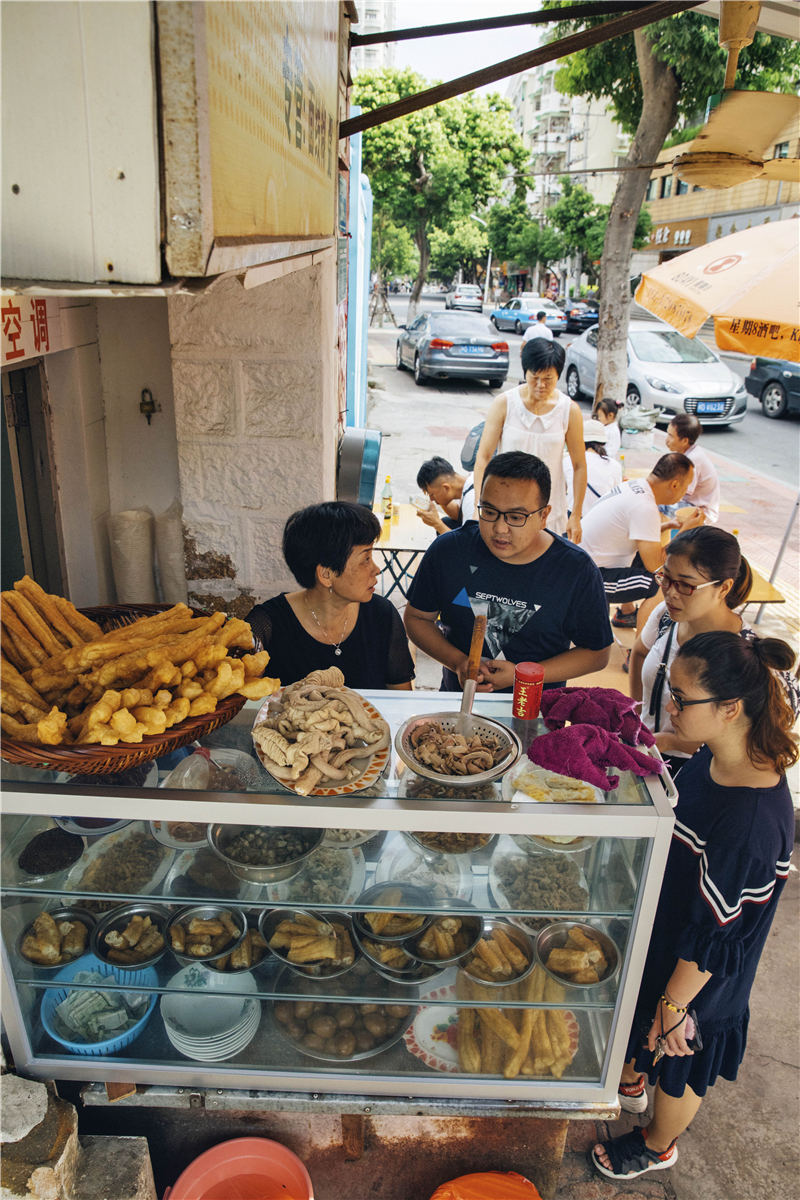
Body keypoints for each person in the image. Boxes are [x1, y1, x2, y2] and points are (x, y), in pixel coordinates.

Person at [592, 630, 797, 1182]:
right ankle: (632, 1081)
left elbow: (717, 938)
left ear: (730, 708)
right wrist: (647, 741)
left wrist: (677, 1005)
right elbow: (686, 750)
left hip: (702, 972)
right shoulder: (721, 751)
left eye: (681, 699)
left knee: (679, 1059)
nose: (671, 705)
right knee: (643, 1021)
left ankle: (659, 1143)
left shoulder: (750, 824)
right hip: (673, 931)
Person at [404, 450, 613, 692]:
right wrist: (459, 663)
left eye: (516, 517)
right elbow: (417, 618)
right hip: (456, 707)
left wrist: (522, 675)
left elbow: (598, 652)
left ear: (544, 516)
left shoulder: (575, 570)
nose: (500, 529)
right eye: (490, 512)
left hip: (535, 711)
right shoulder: (449, 550)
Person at [629, 527, 799, 775]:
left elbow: (747, 739)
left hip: (697, 771)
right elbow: (640, 652)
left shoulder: (744, 656)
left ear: (723, 588)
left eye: (686, 585)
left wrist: (669, 742)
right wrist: (634, 714)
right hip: (647, 750)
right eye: (665, 578)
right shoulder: (667, 616)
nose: (670, 593)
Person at [246, 501, 414, 690]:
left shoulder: (381, 615)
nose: (376, 569)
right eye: (365, 559)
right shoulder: (266, 625)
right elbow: (241, 701)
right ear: (326, 574)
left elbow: (401, 699)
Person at [472, 339, 587, 541]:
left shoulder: (569, 410)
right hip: (504, 508)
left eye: (548, 379)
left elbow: (579, 465)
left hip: (547, 510)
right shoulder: (505, 403)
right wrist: (479, 505)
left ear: (558, 376)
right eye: (535, 377)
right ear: (525, 372)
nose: (541, 385)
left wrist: (575, 514)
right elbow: (483, 457)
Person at [580, 453, 699, 632]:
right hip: (588, 576)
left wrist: (667, 526)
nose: (686, 493)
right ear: (674, 484)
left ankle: (627, 614)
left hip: (582, 559)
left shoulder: (633, 486)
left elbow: (633, 532)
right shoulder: (645, 507)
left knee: (652, 564)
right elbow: (656, 566)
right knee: (660, 584)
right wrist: (685, 532)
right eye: (686, 487)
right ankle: (640, 653)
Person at [664, 414, 720, 524]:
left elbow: (680, 494)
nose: (667, 440)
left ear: (685, 441)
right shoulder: (689, 454)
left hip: (701, 512)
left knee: (657, 505)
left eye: (671, 436)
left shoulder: (692, 460)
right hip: (691, 503)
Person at [564, 417, 623, 517]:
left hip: (573, 516)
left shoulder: (568, 460)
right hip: (600, 519)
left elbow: (561, 493)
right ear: (603, 442)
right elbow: (616, 497)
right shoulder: (615, 465)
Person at [415, 456, 475, 535]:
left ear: (446, 488)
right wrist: (440, 501)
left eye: (432, 494)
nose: (431, 499)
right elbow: (460, 516)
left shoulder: (472, 499)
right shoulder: (468, 482)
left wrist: (436, 523)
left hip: (479, 544)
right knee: (447, 522)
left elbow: (468, 545)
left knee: (443, 526)